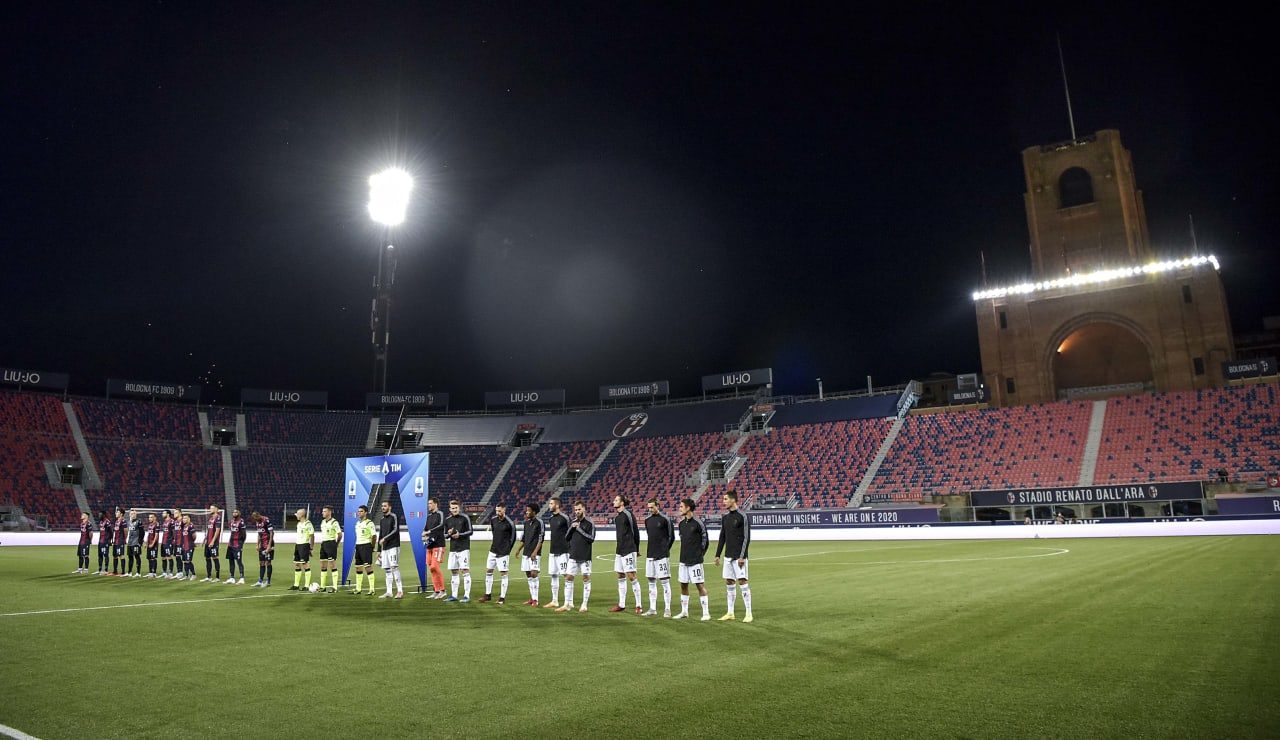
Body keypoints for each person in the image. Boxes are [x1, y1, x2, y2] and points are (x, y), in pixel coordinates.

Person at [714, 489, 752, 622]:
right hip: (728, 556)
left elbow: (747, 538)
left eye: (725, 499)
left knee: (742, 582)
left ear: (733, 500)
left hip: (739, 556)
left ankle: (748, 613)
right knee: (729, 582)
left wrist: (742, 556)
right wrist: (717, 554)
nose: (723, 501)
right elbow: (722, 536)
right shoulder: (725, 517)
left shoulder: (743, 516)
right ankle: (730, 613)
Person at [674, 497, 711, 620]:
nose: (679, 509)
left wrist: (700, 554)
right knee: (683, 585)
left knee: (700, 586)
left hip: (695, 561)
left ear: (688, 508)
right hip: (683, 559)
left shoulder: (698, 523)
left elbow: (705, 540)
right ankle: (684, 612)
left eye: (681, 507)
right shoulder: (681, 524)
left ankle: (706, 613)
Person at [557, 501, 595, 613]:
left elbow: (591, 538)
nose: (577, 512)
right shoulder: (573, 522)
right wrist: (572, 528)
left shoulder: (590, 523)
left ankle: (584, 605)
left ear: (584, 509)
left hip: (585, 556)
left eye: (579, 509)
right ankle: (566, 604)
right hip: (573, 555)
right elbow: (567, 537)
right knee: (568, 578)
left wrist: (579, 529)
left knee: (586, 578)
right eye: (576, 510)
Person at [609, 495, 643, 614]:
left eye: (616, 500)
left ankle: (639, 605)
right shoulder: (617, 517)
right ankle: (621, 604)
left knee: (631, 576)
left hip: (629, 549)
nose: (614, 501)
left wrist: (636, 548)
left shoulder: (628, 514)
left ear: (622, 503)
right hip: (620, 550)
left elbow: (635, 531)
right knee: (620, 575)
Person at [643, 498, 676, 617]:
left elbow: (671, 537)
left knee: (664, 581)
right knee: (651, 581)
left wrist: (665, 550)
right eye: (649, 508)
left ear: (658, 506)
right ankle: (652, 608)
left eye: (652, 507)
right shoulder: (647, 521)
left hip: (662, 556)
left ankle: (667, 609)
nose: (650, 510)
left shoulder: (665, 519)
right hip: (650, 554)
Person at [478, 503, 516, 604]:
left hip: (503, 552)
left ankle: (502, 598)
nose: (497, 512)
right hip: (493, 550)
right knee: (489, 571)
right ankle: (487, 595)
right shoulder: (493, 520)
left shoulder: (510, 523)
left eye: (499, 511)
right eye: (496, 511)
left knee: (503, 574)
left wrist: (507, 550)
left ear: (504, 510)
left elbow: (513, 538)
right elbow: (494, 533)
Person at [540, 497, 572, 609]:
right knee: (553, 575)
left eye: (551, 503)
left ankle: (569, 602)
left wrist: (570, 550)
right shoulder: (551, 519)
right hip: (553, 551)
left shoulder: (565, 518)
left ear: (557, 505)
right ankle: (555, 600)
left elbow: (571, 533)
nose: (549, 505)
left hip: (563, 551)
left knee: (566, 576)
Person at [512, 503, 544, 606]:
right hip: (526, 553)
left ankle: (536, 599)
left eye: (528, 510)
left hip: (535, 553)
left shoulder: (539, 523)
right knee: (529, 575)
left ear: (534, 512)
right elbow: (524, 538)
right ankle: (532, 598)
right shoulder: (526, 523)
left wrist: (535, 552)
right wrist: (518, 550)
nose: (526, 512)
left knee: (534, 574)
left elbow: (541, 539)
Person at [442, 499, 473, 602]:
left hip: (463, 548)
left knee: (465, 570)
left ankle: (466, 596)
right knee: (454, 571)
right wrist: (449, 534)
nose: (454, 510)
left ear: (459, 508)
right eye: (452, 508)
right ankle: (454, 595)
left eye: (456, 508)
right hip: (453, 549)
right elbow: (445, 535)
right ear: (450, 509)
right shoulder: (447, 520)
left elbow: (470, 531)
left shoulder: (465, 517)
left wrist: (460, 534)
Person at [376, 500, 403, 599]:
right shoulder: (382, 520)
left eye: (385, 506)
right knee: (387, 569)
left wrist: (385, 539)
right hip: (385, 548)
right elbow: (381, 535)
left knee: (394, 567)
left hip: (393, 546)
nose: (383, 507)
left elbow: (395, 530)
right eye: (382, 506)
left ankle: (400, 591)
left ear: (389, 507)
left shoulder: (394, 517)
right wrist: (379, 550)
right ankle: (389, 591)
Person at [421, 497, 447, 598]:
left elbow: (441, 525)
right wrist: (424, 533)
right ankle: (436, 591)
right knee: (431, 569)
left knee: (434, 567)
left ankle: (443, 590)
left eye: (430, 503)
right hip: (430, 545)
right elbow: (425, 528)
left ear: (436, 504)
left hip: (438, 544)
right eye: (428, 504)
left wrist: (429, 532)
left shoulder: (440, 514)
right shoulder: (429, 517)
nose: (429, 505)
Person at [352, 505, 377, 595]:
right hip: (358, 546)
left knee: (368, 567)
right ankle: (358, 589)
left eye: (361, 511)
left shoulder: (369, 523)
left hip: (366, 546)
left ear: (366, 512)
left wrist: (372, 547)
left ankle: (372, 589)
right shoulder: (357, 523)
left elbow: (374, 536)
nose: (359, 513)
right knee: (358, 567)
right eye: (359, 511)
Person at [317, 506, 342, 593]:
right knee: (323, 566)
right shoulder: (323, 522)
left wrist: (336, 544)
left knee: (332, 565)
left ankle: (335, 587)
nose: (322, 513)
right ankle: (323, 587)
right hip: (324, 544)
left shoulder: (334, 522)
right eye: (322, 511)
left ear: (329, 512)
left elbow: (340, 534)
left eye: (324, 511)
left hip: (331, 543)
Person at [290, 508, 314, 591]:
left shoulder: (308, 524)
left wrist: (311, 548)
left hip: (304, 545)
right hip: (298, 545)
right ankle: (296, 585)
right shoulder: (299, 524)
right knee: (297, 564)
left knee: (305, 564)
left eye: (297, 514)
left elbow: (312, 536)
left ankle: (306, 585)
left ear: (301, 515)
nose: (296, 515)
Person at [223, 509, 247, 584]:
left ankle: (242, 578)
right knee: (231, 561)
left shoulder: (241, 522)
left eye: (236, 512)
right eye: (233, 512)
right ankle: (232, 578)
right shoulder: (232, 521)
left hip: (237, 545)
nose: (234, 513)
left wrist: (241, 544)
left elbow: (244, 534)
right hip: (231, 544)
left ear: (239, 513)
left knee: (239, 561)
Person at [251, 511, 274, 587]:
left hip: (268, 544)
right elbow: (259, 533)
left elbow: (271, 533)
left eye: (256, 518)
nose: (255, 520)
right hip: (262, 545)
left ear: (258, 515)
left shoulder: (266, 520)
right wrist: (257, 544)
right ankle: (260, 581)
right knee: (261, 562)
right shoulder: (257, 522)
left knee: (268, 562)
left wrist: (269, 546)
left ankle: (268, 581)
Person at [202, 504, 222, 582]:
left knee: (215, 558)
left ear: (216, 509)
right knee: (207, 558)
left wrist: (213, 541)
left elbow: (217, 531)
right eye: (210, 508)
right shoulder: (210, 519)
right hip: (208, 542)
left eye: (212, 508)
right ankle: (209, 576)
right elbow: (209, 530)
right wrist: (205, 540)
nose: (210, 509)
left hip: (213, 542)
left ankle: (217, 577)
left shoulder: (218, 518)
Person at [179, 512, 198, 580]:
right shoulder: (184, 526)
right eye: (183, 518)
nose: (183, 519)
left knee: (188, 561)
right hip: (184, 546)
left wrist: (192, 542)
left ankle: (193, 574)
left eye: (185, 518)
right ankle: (187, 575)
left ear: (189, 519)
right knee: (184, 561)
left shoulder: (191, 525)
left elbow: (194, 535)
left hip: (189, 546)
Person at [126, 509, 143, 577]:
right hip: (130, 542)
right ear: (129, 515)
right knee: (130, 557)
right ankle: (129, 572)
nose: (133, 515)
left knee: (137, 556)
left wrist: (140, 541)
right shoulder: (128, 522)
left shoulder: (139, 522)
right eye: (132, 514)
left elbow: (142, 532)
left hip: (136, 542)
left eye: (134, 514)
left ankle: (138, 573)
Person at [159, 509, 176, 578]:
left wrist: (173, 539)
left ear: (168, 514)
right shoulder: (165, 522)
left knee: (169, 557)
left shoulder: (172, 522)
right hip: (163, 541)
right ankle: (164, 572)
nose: (162, 514)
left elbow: (174, 531)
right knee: (163, 557)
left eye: (164, 513)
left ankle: (171, 573)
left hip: (168, 542)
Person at [95, 509, 112, 575]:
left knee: (105, 555)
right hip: (100, 541)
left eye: (100, 514)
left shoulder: (107, 522)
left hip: (105, 541)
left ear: (104, 515)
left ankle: (106, 570)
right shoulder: (101, 522)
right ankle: (99, 570)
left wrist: (109, 540)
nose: (99, 516)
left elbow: (110, 532)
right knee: (100, 555)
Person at [111, 507, 128, 576]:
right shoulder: (116, 521)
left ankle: (123, 572)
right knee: (115, 555)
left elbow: (126, 531)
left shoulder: (123, 521)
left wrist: (124, 539)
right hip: (115, 540)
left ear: (121, 514)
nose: (116, 513)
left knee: (121, 555)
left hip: (120, 540)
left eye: (117, 512)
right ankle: (115, 571)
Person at [144, 513, 160, 578]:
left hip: (154, 544)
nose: (150, 518)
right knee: (149, 558)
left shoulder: (157, 524)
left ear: (155, 518)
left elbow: (156, 535)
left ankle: (154, 573)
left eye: (151, 517)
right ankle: (150, 572)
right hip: (149, 544)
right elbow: (149, 534)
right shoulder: (150, 525)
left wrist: (153, 544)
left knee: (153, 558)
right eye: (149, 517)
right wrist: (146, 542)